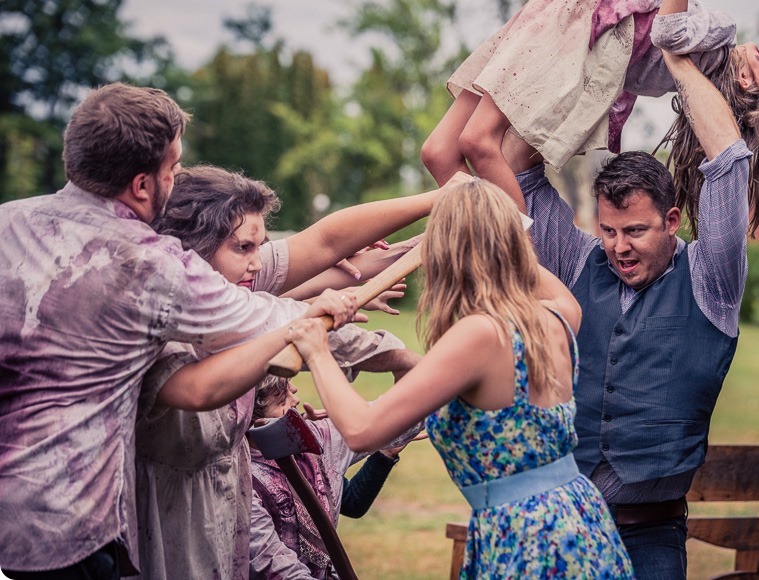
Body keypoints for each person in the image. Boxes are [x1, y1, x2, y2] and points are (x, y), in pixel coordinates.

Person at [0, 81, 455, 579]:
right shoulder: (150, 265)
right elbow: (234, 354)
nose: (176, 179)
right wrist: (324, 308)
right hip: (101, 527)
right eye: (172, 168)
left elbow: (319, 244)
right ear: (142, 185)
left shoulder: (10, 223)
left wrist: (441, 201)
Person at [470, 0, 753, 576]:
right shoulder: (576, 261)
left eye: (636, 232)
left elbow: (728, 161)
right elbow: (515, 172)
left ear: (673, 221)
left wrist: (675, 56)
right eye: (609, 230)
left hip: (652, 536)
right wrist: (586, 63)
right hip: (563, 530)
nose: (619, 247)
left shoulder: (712, 279)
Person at [287, 179, 635, 578]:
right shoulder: (556, 318)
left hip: (526, 536)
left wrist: (316, 348)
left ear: (446, 252)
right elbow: (552, 291)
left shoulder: (480, 335)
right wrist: (498, 227)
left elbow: (362, 431)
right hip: (578, 520)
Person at [134, 165, 438, 580]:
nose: (257, 263)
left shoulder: (237, 275)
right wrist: (399, 357)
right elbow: (289, 324)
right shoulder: (163, 312)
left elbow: (325, 244)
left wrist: (439, 210)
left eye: (260, 246)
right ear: (194, 249)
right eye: (243, 247)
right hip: (166, 528)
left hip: (225, 520)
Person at [420, 0, 759, 238]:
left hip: (571, 21)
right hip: (576, 14)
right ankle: (484, 240)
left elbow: (664, 29)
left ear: (745, 80)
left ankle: (516, 255)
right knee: (469, 145)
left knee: (450, 149)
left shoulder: (720, 37)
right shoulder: (692, 72)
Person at [247, 378, 418, 579]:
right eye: (282, 399)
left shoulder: (313, 437)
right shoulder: (241, 478)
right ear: (248, 416)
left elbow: (383, 415)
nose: (295, 400)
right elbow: (271, 561)